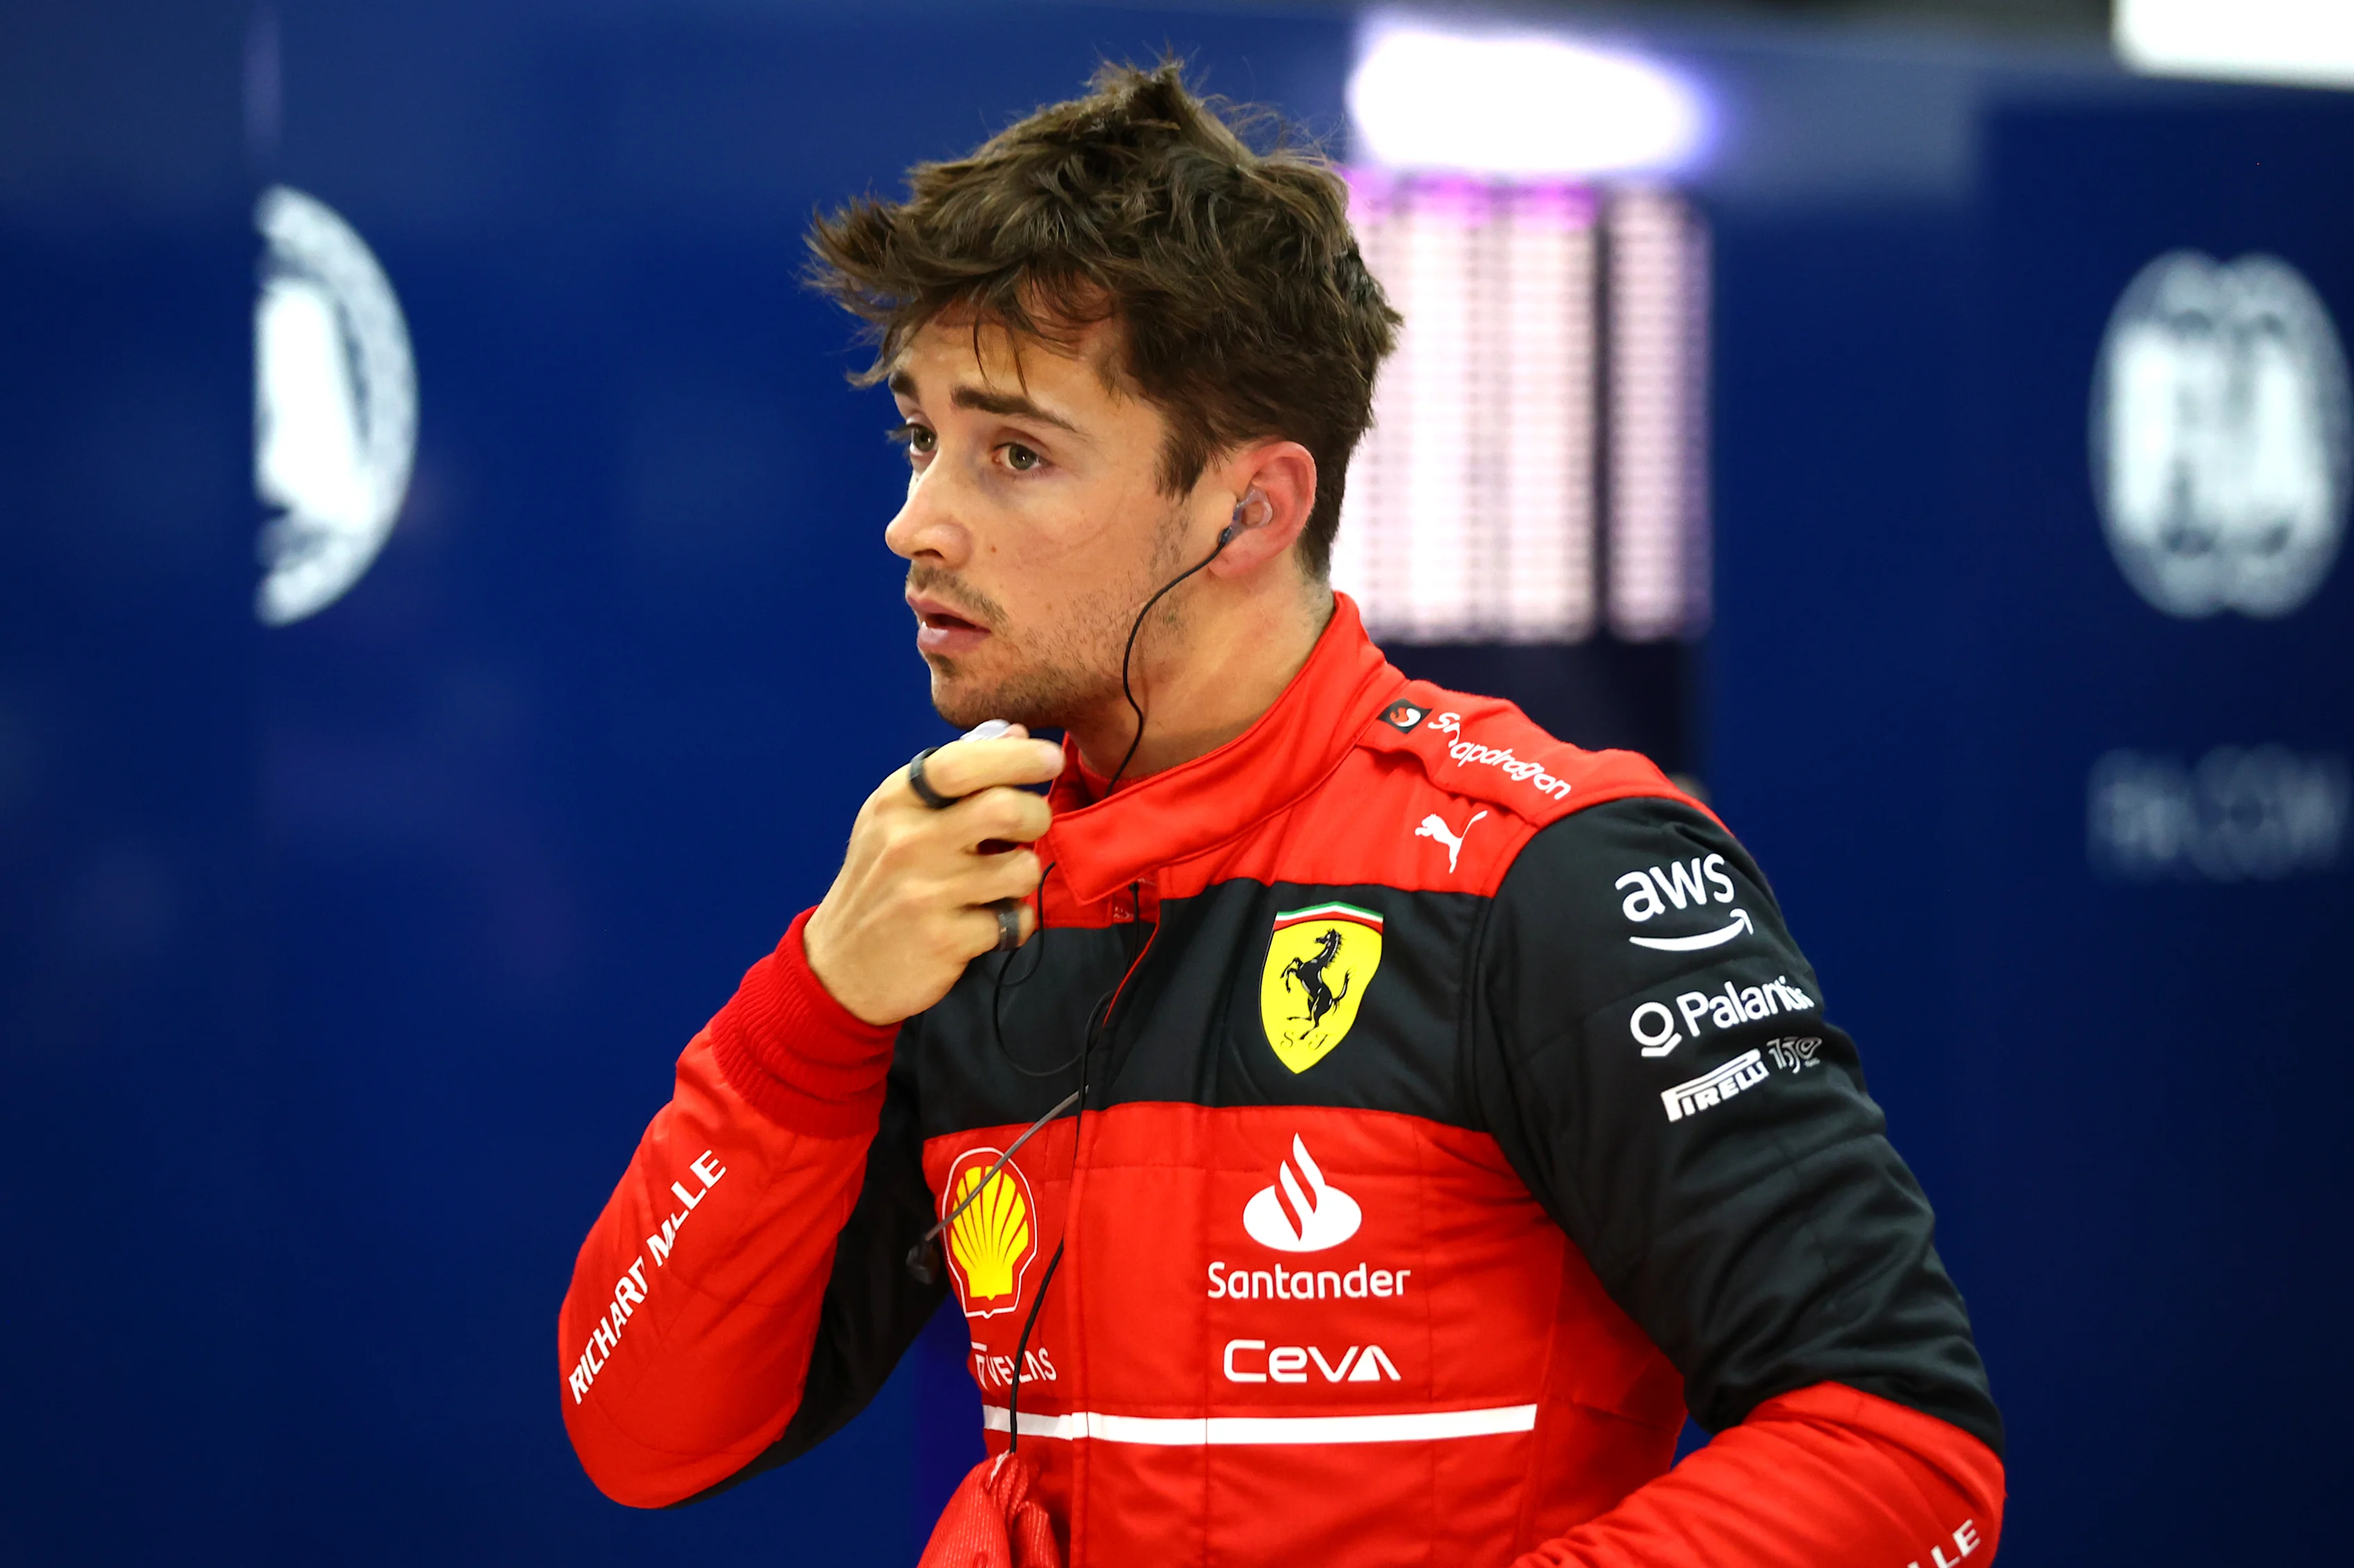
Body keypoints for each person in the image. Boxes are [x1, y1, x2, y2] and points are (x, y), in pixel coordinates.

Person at [558, 63, 2004, 1567]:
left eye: (1016, 452)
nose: (916, 517)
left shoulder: (1551, 874)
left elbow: (1902, 1451)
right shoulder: (960, 891)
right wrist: (814, 1013)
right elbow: (645, 1429)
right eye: (917, 438)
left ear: (1249, 510)